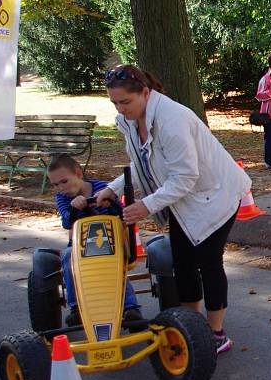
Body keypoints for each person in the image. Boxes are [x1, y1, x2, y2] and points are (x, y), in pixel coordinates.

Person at [95, 64, 252, 354]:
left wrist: (146, 205)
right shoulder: (131, 121)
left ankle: (216, 333)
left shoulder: (173, 119)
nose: (120, 109)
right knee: (182, 263)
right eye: (114, 103)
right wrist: (113, 188)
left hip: (216, 193)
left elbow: (186, 176)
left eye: (125, 102)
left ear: (145, 92)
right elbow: (143, 163)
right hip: (184, 199)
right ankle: (190, 324)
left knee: (208, 261)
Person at [47, 154, 141, 327]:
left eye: (64, 181)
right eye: (55, 184)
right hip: (79, 245)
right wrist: (73, 207)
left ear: (78, 174)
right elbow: (67, 222)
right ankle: (76, 309)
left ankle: (130, 308)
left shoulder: (102, 187)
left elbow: (121, 213)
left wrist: (110, 204)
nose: (61, 188)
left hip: (108, 239)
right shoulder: (63, 198)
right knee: (68, 256)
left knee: (117, 260)